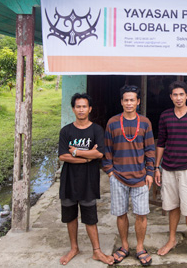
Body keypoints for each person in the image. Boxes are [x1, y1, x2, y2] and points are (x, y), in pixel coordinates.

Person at [58, 93, 114, 265]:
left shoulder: (96, 130)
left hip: (88, 181)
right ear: (73, 109)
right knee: (70, 216)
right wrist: (88, 157)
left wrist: (76, 151)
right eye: (78, 106)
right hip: (69, 180)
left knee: (90, 216)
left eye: (84, 106)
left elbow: (100, 153)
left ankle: (96, 251)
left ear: (90, 109)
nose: (81, 109)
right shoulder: (66, 131)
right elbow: (62, 156)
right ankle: (74, 248)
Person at [103, 85, 155, 266]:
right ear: (121, 102)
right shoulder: (112, 122)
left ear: (138, 102)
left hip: (140, 178)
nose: (129, 103)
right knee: (121, 214)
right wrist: (110, 172)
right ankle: (124, 246)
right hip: (118, 177)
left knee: (141, 214)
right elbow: (106, 150)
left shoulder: (145, 122)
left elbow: (150, 149)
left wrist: (150, 173)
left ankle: (140, 247)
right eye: (126, 100)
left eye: (132, 99)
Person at [154, 81, 187, 260]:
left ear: (186, 96)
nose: (178, 98)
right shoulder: (165, 116)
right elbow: (161, 142)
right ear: (171, 97)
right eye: (175, 95)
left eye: (181, 94)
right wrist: (157, 167)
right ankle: (171, 240)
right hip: (168, 169)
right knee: (172, 206)